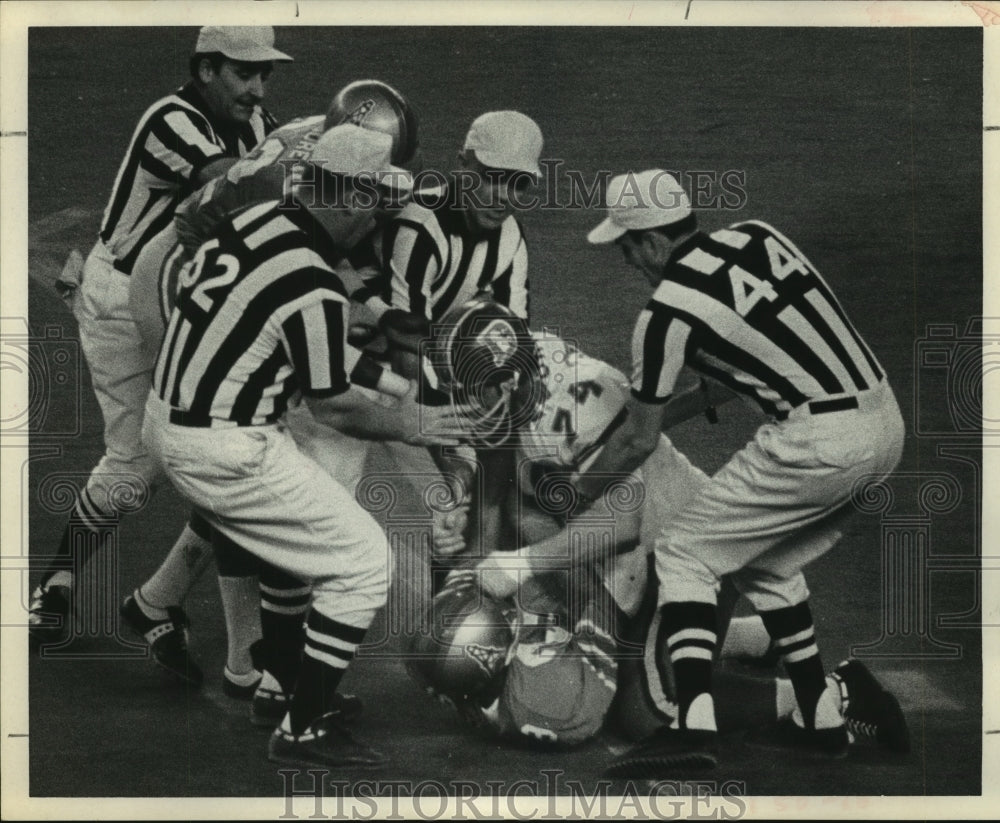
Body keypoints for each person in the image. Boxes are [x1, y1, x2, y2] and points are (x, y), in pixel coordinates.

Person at [405, 301, 910, 758]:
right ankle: (752, 641)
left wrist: (518, 566)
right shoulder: (515, 378)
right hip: (617, 547)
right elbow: (495, 497)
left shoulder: (577, 402)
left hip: (682, 545)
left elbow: (622, 522)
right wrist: (457, 577)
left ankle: (833, 695)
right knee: (523, 516)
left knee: (645, 713)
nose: (463, 405)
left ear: (507, 381)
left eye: (470, 391)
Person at [142, 123, 466, 769]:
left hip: (177, 418)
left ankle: (283, 688)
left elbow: (306, 343)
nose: (376, 214)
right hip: (224, 446)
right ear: (345, 198)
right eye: (373, 200)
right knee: (366, 560)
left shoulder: (257, 219)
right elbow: (332, 402)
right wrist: (419, 423)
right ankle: (301, 728)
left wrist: (396, 383)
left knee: (306, 535)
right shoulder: (313, 277)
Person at [578, 169, 905, 771]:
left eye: (627, 247)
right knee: (764, 555)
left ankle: (691, 727)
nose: (629, 261)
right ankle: (821, 715)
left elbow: (638, 442)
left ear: (650, 241)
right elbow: (742, 363)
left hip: (818, 441)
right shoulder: (758, 235)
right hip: (885, 422)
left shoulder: (666, 311)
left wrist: (569, 493)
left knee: (684, 553)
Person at [120, 80, 421, 698]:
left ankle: (158, 601)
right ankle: (243, 661)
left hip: (240, 264)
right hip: (182, 264)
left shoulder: (327, 158)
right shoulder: (280, 189)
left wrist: (359, 312)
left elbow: (319, 273)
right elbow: (260, 263)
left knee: (250, 461)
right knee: (239, 447)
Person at [28, 26, 291, 648]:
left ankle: (166, 605)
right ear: (205, 69)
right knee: (133, 471)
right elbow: (235, 182)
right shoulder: (169, 119)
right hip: (122, 304)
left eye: (264, 75)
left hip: (192, 304)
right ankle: (58, 586)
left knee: (235, 450)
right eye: (243, 74)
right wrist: (302, 151)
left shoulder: (256, 123)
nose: (256, 90)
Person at [370, 110, 541, 379]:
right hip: (367, 367)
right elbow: (404, 346)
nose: (504, 196)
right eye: (492, 177)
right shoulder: (421, 222)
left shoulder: (511, 235)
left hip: (434, 360)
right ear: (462, 165)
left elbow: (515, 337)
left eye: (519, 183)